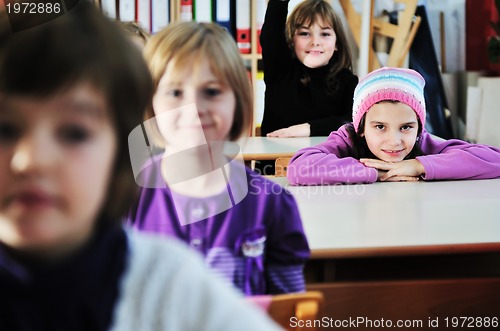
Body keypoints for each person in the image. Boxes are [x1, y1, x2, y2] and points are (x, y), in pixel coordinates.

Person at [0, 4, 282, 331]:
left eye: (74, 133)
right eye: (5, 129)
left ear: (120, 151)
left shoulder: (170, 286)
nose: (31, 161)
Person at [126, 21, 310, 296]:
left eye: (212, 91)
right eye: (175, 92)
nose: (194, 108)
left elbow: (289, 312)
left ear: (238, 100)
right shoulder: (124, 201)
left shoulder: (271, 204)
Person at [287, 67, 500, 185]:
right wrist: (380, 173)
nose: (394, 141)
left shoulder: (424, 142)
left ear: (419, 127)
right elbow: (299, 168)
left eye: (406, 127)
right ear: (361, 127)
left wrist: (417, 165)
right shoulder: (347, 139)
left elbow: (495, 159)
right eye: (380, 127)